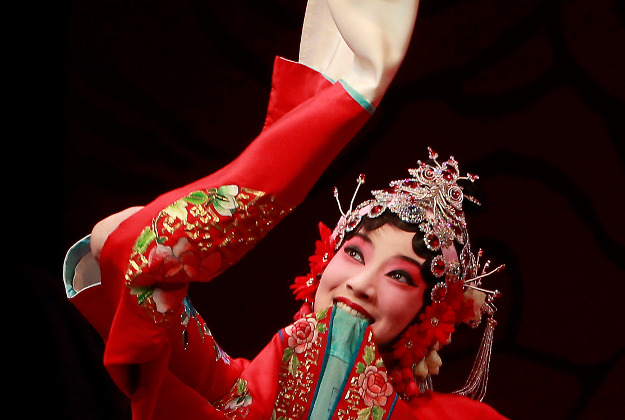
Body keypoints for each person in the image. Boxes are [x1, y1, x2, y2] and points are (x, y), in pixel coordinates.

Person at [63, 1, 507, 418]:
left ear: (428, 315)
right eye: (353, 253)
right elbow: (131, 248)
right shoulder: (229, 391)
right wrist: (322, 120)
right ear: (320, 265)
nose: (361, 284)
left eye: (400, 276)